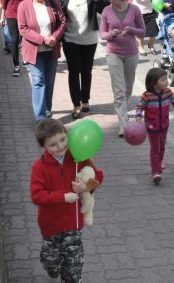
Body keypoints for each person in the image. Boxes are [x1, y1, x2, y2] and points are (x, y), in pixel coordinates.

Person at [30, 118, 104, 281]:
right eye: (53, 144)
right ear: (43, 147)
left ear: (67, 135)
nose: (60, 146)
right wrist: (63, 197)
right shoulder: (39, 166)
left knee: (73, 267)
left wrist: (86, 187)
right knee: (52, 261)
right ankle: (50, 264)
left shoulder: (78, 156)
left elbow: (98, 175)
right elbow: (36, 196)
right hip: (50, 225)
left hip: (73, 224)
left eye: (63, 139)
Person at [99, 0, 146, 136]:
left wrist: (130, 30)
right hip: (113, 52)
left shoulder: (134, 9)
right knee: (119, 90)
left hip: (131, 53)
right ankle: (123, 123)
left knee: (128, 88)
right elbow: (102, 33)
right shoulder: (106, 11)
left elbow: (142, 31)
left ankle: (123, 113)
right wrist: (110, 35)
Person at [17, 0, 67, 122]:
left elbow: (62, 22)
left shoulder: (52, 2)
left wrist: (54, 37)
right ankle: (40, 117)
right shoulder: (24, 6)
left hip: (51, 50)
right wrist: (42, 39)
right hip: (34, 51)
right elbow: (22, 29)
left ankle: (46, 108)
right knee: (39, 80)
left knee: (49, 81)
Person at [58, 0, 103, 120]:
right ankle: (76, 103)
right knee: (73, 71)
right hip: (70, 38)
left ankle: (85, 100)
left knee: (86, 71)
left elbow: (103, 8)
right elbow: (59, 11)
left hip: (89, 38)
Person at [135, 68, 174, 183]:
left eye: (166, 79)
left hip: (164, 125)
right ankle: (155, 172)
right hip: (152, 127)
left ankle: (159, 162)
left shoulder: (168, 92)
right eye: (163, 80)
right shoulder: (147, 95)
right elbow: (140, 106)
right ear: (154, 83)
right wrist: (138, 116)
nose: (166, 82)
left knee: (162, 147)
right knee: (155, 149)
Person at [1, 0, 31, 76]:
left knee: (25, 38)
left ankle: (26, 58)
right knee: (14, 40)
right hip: (11, 14)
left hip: (25, 15)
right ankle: (16, 65)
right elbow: (4, 2)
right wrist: (2, 16)